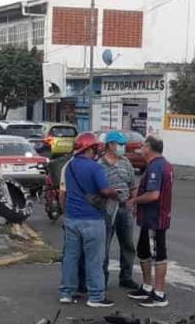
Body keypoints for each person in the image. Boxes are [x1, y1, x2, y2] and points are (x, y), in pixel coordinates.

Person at [59, 132, 118, 308]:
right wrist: (115, 193)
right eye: (95, 149)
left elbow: (65, 192)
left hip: (72, 218)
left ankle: (66, 293)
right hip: (92, 219)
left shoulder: (69, 166)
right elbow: (104, 190)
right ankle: (96, 296)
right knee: (94, 259)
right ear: (90, 149)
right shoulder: (95, 168)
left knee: (70, 256)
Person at [126, 135, 174, 308]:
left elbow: (154, 195)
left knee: (157, 255)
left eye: (143, 145)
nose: (141, 148)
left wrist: (134, 201)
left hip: (155, 219)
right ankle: (147, 287)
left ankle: (159, 293)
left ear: (150, 148)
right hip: (147, 219)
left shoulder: (157, 167)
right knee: (144, 251)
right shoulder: (157, 165)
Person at [100, 131, 139, 290]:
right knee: (104, 246)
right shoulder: (99, 165)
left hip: (124, 208)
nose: (122, 147)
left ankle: (126, 276)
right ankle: (102, 278)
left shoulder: (126, 163)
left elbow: (133, 186)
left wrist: (133, 203)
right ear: (110, 145)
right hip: (107, 209)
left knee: (128, 244)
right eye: (119, 144)